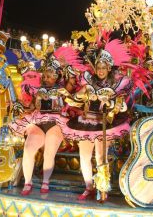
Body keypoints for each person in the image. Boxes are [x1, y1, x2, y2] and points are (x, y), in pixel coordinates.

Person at [60, 37, 133, 201]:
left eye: (103, 67)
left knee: (101, 156)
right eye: (98, 67)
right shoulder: (88, 83)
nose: (100, 70)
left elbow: (122, 106)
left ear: (109, 68)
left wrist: (110, 102)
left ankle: (103, 188)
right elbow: (75, 99)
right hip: (86, 123)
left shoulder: (116, 85)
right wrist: (70, 95)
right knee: (84, 156)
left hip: (103, 124)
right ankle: (89, 187)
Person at [9, 46, 86, 196]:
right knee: (28, 149)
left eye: (50, 76)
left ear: (57, 76)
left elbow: (71, 81)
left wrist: (66, 64)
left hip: (56, 123)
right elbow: (31, 107)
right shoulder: (38, 90)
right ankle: (28, 182)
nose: (46, 78)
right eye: (44, 76)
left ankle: (45, 182)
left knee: (49, 153)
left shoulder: (62, 89)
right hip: (37, 121)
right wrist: (20, 107)